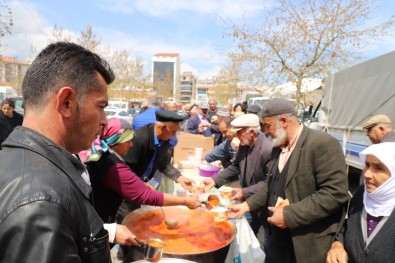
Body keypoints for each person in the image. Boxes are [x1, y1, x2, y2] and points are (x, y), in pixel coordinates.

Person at [0, 42, 115, 262]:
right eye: (101, 107)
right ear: (66, 102)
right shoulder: (42, 203)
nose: (104, 121)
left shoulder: (14, 159)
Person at [228, 98, 348, 263]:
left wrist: (289, 215)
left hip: (305, 245)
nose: (265, 132)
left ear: (284, 121)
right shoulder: (279, 147)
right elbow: (271, 186)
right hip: (278, 242)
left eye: (268, 126)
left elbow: (335, 194)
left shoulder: (322, 144)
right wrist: (245, 206)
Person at [85, 118, 200, 243]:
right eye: (128, 141)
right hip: (98, 224)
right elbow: (147, 196)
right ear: (117, 141)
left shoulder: (104, 155)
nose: (131, 145)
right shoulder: (112, 166)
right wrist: (185, 201)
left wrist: (139, 183)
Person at [203, 113, 273, 234]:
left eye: (240, 132)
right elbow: (235, 167)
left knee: (268, 241)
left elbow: (269, 182)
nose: (237, 135)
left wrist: (245, 191)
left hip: (264, 202)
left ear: (251, 132)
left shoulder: (268, 149)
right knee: (246, 234)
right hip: (248, 201)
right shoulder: (244, 144)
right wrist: (214, 180)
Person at [326, 142, 395, 263]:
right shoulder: (362, 193)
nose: (366, 174)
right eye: (367, 165)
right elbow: (348, 227)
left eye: (378, 168)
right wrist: (338, 245)